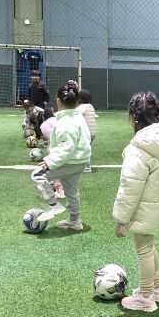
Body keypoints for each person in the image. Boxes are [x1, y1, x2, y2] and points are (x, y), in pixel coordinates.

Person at [113, 91, 159, 312]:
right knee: (149, 247)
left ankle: (145, 297)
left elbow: (129, 188)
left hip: (145, 209)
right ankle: (157, 288)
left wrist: (121, 219)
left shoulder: (137, 150)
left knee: (143, 250)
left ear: (134, 117)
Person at [31, 84, 91, 230]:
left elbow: (66, 147)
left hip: (70, 161)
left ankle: (53, 206)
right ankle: (74, 220)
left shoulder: (65, 122)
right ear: (77, 101)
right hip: (80, 161)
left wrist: (50, 161)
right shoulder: (78, 117)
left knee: (37, 175)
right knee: (71, 190)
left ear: (58, 101)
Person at [76, 88, 98, 173]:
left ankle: (86, 167)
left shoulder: (82, 107)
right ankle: (85, 165)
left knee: (83, 149)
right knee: (87, 148)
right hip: (92, 133)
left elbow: (75, 114)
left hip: (86, 133)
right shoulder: (90, 106)